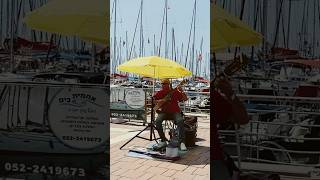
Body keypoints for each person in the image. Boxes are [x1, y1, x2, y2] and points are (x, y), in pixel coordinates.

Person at [212, 76, 249, 179]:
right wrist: (230, 94)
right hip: (214, 157)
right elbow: (243, 118)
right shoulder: (214, 97)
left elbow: (243, 119)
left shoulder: (214, 97)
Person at [153, 78, 188, 151]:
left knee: (180, 121)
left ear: (169, 84)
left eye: (165, 84)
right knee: (157, 121)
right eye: (162, 84)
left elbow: (185, 99)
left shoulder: (175, 92)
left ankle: (182, 142)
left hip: (175, 111)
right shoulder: (160, 92)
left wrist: (181, 91)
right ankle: (163, 140)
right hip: (164, 112)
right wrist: (160, 101)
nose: (163, 85)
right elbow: (153, 100)